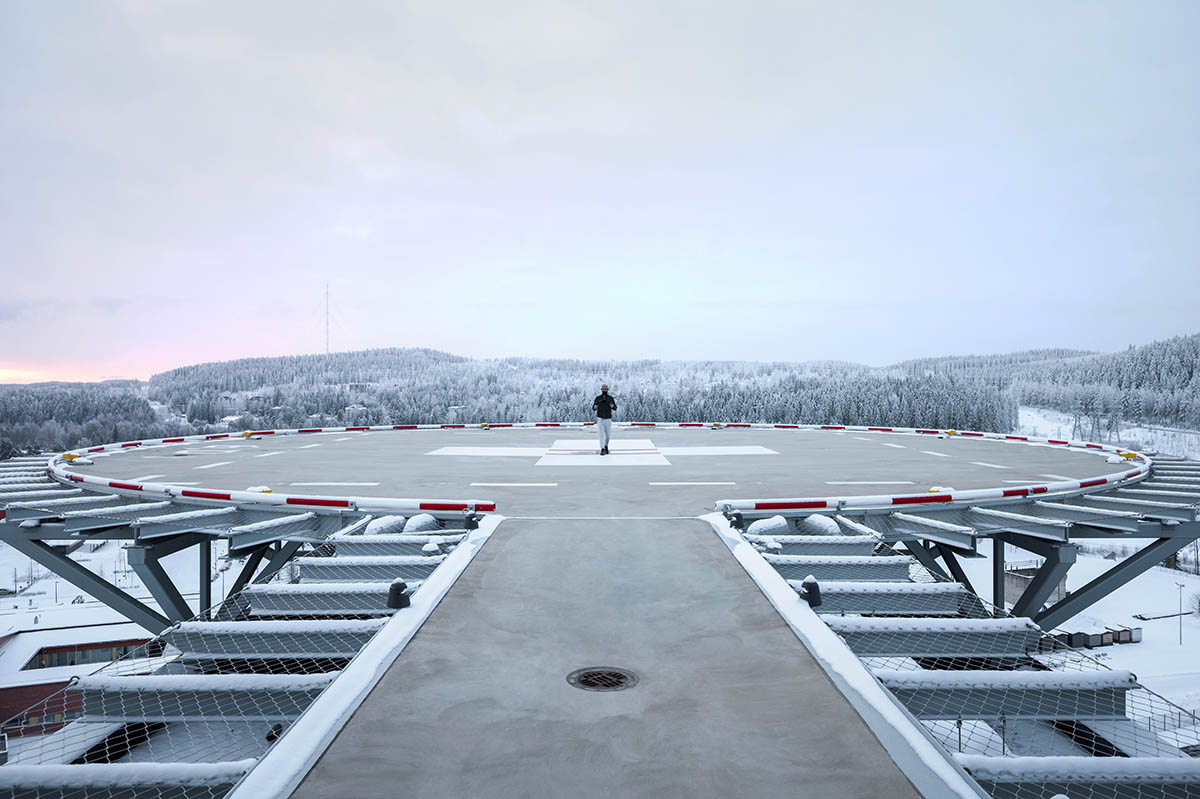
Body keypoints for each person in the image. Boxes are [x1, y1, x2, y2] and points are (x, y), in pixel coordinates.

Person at [592, 384, 616, 455]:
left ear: (607, 390)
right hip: (600, 418)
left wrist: (612, 406)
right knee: (602, 434)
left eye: (605, 389)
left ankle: (606, 446)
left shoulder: (610, 398)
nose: (604, 390)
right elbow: (593, 408)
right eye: (603, 389)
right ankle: (602, 448)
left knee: (608, 435)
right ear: (601, 390)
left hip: (608, 418)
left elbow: (615, 408)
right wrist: (595, 407)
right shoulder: (598, 398)